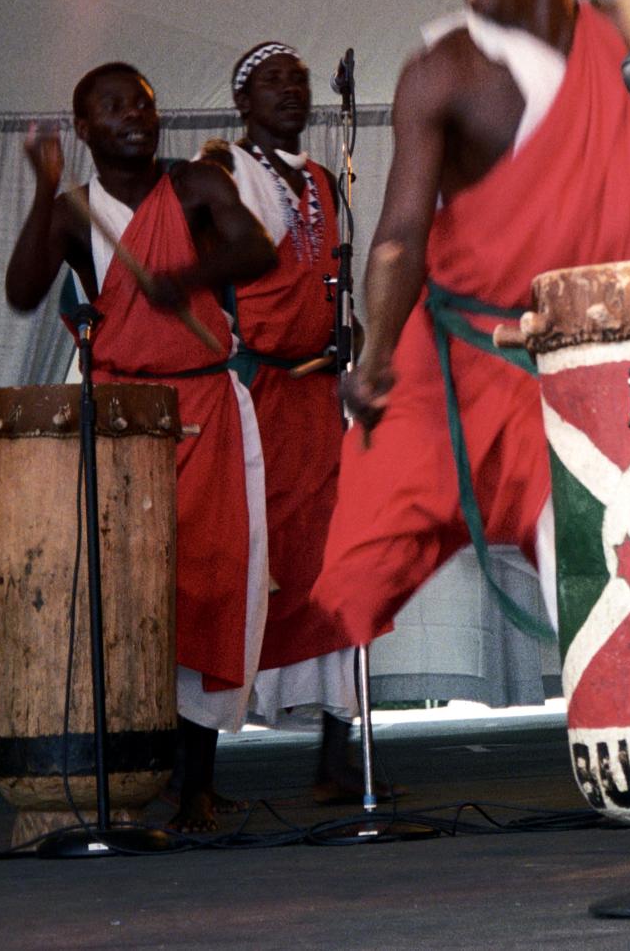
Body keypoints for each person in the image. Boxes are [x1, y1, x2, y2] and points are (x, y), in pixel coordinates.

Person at [309, 0, 630, 646]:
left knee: (603, 560)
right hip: (460, 358)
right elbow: (400, 234)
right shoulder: (442, 73)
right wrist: (373, 354)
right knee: (359, 572)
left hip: (587, 354)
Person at [5, 63, 279, 832]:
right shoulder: (73, 213)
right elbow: (23, 293)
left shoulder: (194, 186)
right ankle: (135, 774)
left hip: (206, 406)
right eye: (113, 107)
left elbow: (256, 250)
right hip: (124, 420)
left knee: (211, 587)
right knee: (133, 593)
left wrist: (184, 274)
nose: (134, 115)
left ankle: (197, 785)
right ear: (84, 128)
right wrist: (42, 188)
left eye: (145, 103)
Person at [203, 41, 365, 801]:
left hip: (318, 402)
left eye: (299, 81)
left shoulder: (328, 179)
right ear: (243, 102)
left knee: (336, 565)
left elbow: (332, 286)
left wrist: (352, 335)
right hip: (251, 396)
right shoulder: (221, 174)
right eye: (272, 82)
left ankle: (339, 765)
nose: (292, 92)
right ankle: (192, 775)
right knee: (232, 569)